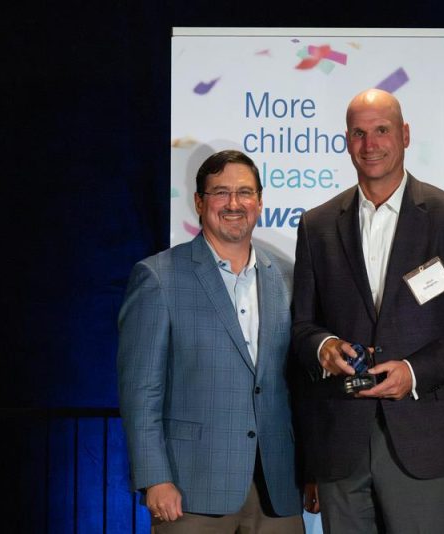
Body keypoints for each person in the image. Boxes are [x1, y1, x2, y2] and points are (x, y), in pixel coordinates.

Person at [292, 89, 444, 533]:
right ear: (346, 141)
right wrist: (324, 346)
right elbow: (302, 326)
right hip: (340, 441)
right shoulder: (317, 225)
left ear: (405, 135)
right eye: (358, 133)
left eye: (382, 130)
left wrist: (414, 371)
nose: (370, 144)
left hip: (425, 438)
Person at [118, 150, 303, 533]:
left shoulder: (287, 277)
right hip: (189, 490)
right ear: (200, 202)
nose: (234, 203)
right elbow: (141, 391)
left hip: (278, 488)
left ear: (260, 202)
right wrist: (155, 478)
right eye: (221, 192)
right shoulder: (158, 277)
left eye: (245, 192)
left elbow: (299, 386)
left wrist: (313, 470)